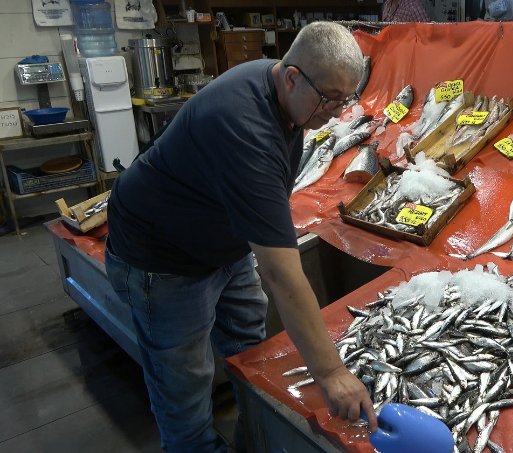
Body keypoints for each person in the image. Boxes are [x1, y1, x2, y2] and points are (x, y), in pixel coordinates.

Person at [104, 22, 377, 452]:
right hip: (162, 258)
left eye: (348, 99)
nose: (339, 112)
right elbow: (281, 274)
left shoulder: (283, 87)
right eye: (331, 99)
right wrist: (330, 373)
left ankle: (256, 435)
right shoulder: (244, 126)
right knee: (184, 385)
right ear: (292, 77)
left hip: (221, 241)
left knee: (250, 346)